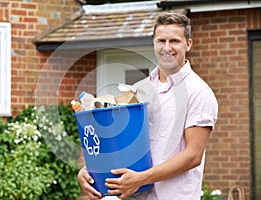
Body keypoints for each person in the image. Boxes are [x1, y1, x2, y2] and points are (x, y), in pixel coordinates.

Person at [77, 12, 218, 200]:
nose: (166, 48)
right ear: (153, 43)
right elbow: (119, 141)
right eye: (161, 41)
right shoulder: (138, 89)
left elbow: (193, 155)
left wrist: (141, 179)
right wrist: (89, 171)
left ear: (188, 44)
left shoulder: (198, 92)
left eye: (174, 41)